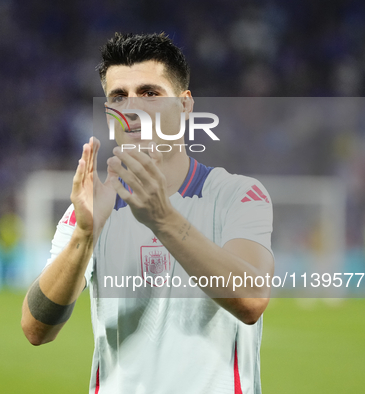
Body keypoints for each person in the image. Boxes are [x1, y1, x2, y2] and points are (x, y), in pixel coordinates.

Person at [21, 32, 274, 394]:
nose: (133, 108)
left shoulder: (236, 195)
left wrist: (162, 218)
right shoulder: (92, 208)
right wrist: (84, 236)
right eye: (119, 97)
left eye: (150, 93)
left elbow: (251, 300)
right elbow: (36, 329)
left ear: (185, 106)